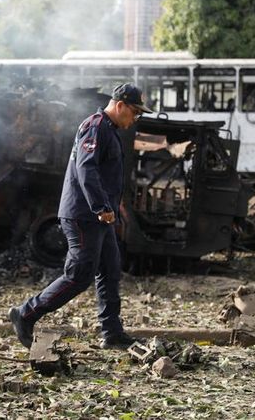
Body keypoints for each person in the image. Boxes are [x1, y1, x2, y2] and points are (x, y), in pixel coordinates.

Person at [9, 83, 152, 350]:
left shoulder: (108, 129)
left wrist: (111, 206)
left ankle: (111, 333)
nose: (135, 119)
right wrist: (101, 207)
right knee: (79, 276)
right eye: (135, 113)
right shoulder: (96, 126)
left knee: (110, 269)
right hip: (85, 216)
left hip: (99, 216)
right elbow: (86, 169)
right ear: (120, 105)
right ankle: (26, 313)